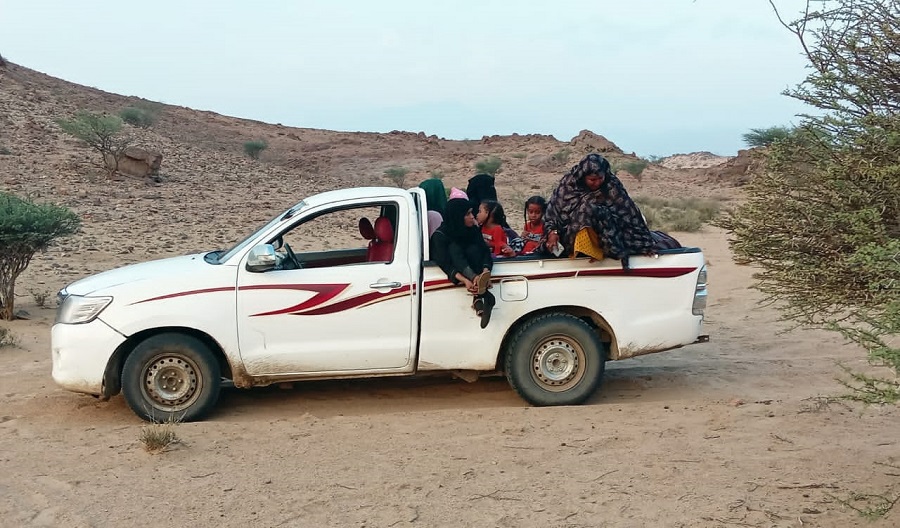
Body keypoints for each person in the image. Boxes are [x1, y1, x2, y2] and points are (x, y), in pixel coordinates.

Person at [544, 153, 677, 268]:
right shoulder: (568, 185)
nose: (597, 183)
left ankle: (603, 252)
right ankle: (585, 251)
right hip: (570, 236)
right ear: (583, 177)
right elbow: (552, 212)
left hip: (608, 236)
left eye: (600, 178)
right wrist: (552, 232)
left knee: (591, 210)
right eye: (592, 180)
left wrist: (645, 244)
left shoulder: (611, 185)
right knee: (585, 210)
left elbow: (629, 213)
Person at [430, 198, 496, 328]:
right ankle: (484, 296)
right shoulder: (440, 236)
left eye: (472, 213)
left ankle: (480, 294)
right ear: (457, 217)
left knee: (473, 248)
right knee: (454, 248)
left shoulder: (472, 231)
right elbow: (445, 264)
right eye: (467, 214)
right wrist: (465, 280)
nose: (472, 217)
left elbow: (484, 252)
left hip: (477, 271)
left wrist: (486, 271)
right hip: (461, 273)